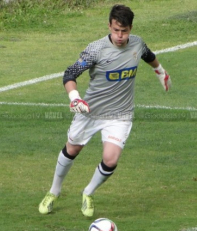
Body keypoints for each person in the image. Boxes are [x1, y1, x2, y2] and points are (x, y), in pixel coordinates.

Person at [39, 4, 172, 217]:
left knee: (110, 159)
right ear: (109, 25)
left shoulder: (137, 44)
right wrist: (75, 98)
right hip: (90, 111)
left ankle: (88, 193)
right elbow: (70, 74)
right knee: (72, 149)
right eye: (116, 30)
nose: (120, 36)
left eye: (124, 31)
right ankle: (54, 191)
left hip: (120, 114)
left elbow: (149, 55)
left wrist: (160, 72)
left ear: (131, 28)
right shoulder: (96, 49)